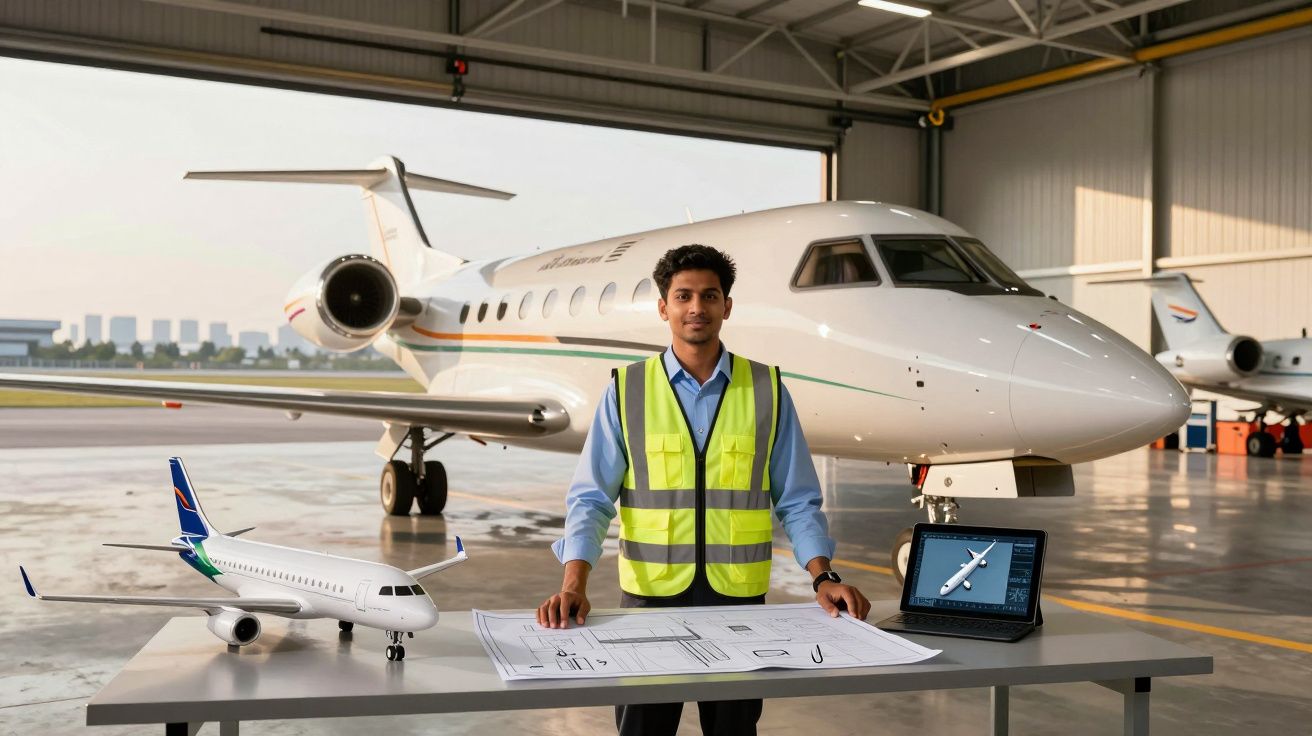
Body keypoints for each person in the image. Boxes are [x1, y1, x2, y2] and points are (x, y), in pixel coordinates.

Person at [538, 244, 871, 736]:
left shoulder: (767, 390)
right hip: (652, 600)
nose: (697, 307)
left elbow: (798, 499)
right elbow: (591, 498)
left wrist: (824, 577)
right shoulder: (627, 389)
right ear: (663, 307)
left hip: (737, 601)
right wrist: (573, 585)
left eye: (709, 296)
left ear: (726, 306)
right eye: (683, 296)